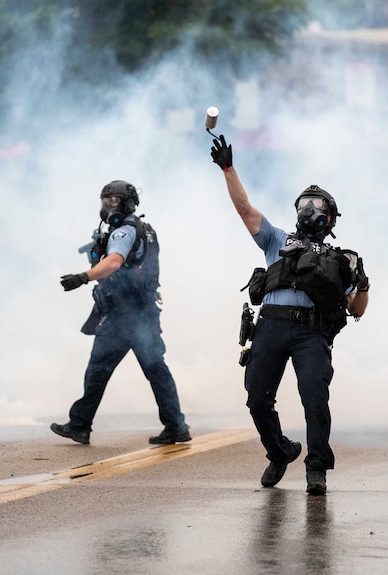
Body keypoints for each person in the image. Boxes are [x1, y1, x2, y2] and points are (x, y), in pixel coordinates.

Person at [210, 136, 369, 495]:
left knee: (314, 397)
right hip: (271, 325)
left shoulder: (339, 260)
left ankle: (317, 469)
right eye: (304, 203)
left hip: (311, 334)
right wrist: (227, 168)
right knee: (257, 399)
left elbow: (355, 309)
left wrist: (363, 282)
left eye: (316, 205)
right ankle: (280, 451)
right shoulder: (276, 239)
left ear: (329, 217)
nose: (308, 208)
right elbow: (245, 210)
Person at [51, 180, 191, 445]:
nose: (108, 206)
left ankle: (80, 425)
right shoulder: (145, 229)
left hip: (122, 314)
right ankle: (176, 425)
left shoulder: (123, 232)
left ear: (126, 204)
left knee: (98, 369)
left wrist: (83, 276)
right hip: (144, 311)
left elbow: (114, 262)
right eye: (106, 201)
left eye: (113, 201)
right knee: (155, 368)